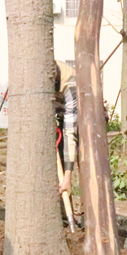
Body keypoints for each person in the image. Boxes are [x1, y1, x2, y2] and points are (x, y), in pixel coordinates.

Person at [55, 60, 78, 196]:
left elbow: (70, 131)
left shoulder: (70, 83)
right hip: (60, 109)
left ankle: (86, 211)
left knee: (84, 158)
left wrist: (67, 176)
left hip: (85, 117)